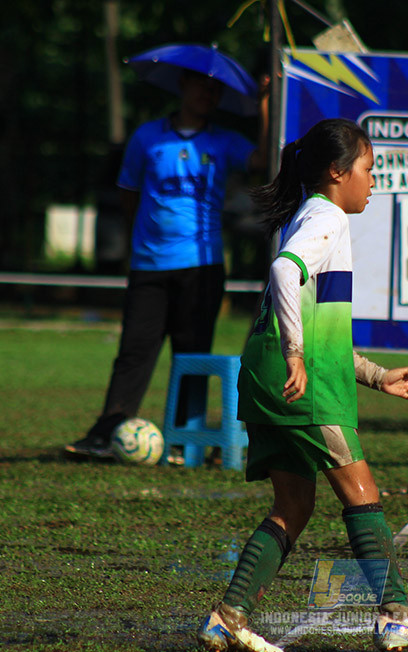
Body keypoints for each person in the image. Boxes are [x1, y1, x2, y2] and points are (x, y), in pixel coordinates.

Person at [195, 118, 408, 652]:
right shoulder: (327, 218)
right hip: (303, 384)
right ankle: (397, 619)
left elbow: (320, 327)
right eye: (368, 168)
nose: (373, 180)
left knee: (293, 505)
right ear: (338, 172)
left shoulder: (307, 215)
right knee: (361, 493)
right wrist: (296, 354)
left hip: (265, 378)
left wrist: (376, 376)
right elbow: (284, 271)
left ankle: (226, 619)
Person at [64, 67, 269, 460]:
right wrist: (142, 238)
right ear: (182, 85)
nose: (208, 93)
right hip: (149, 264)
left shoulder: (223, 140)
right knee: (133, 352)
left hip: (202, 265)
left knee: (192, 355)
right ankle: (106, 433)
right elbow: (128, 191)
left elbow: (260, 159)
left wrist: (263, 104)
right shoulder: (147, 136)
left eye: (216, 89)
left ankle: (184, 441)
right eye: (201, 84)